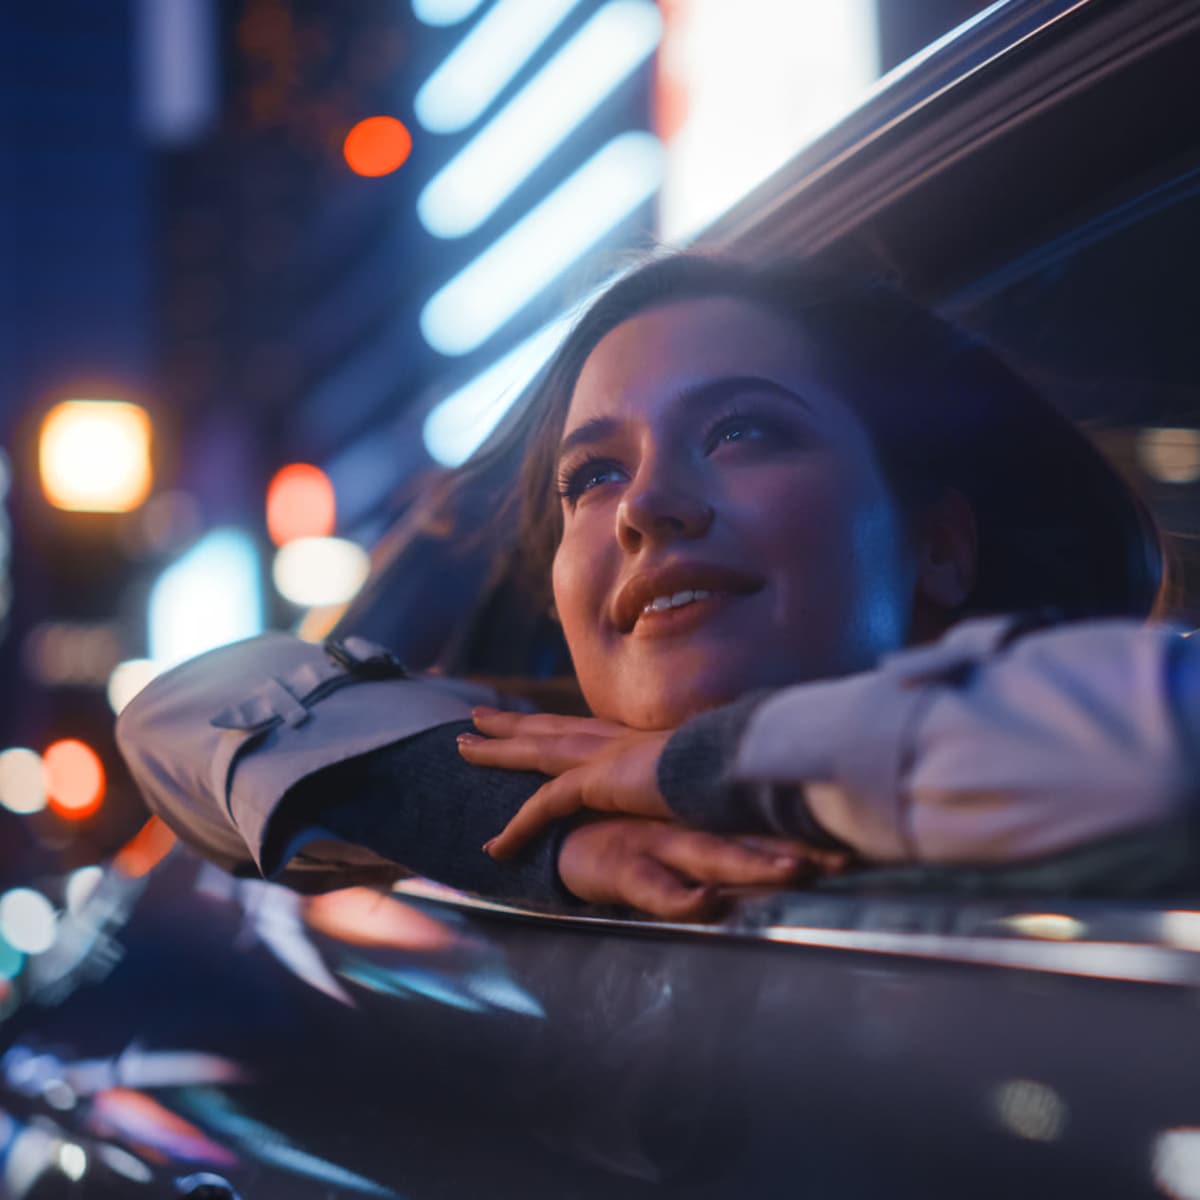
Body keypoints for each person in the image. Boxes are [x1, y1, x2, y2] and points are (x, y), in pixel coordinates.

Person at [117, 253, 1197, 921]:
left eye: (743, 431)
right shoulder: (541, 769)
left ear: (939, 546)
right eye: (592, 477)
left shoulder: (1078, 752)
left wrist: (710, 769)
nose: (645, 507)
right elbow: (179, 714)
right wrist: (507, 821)